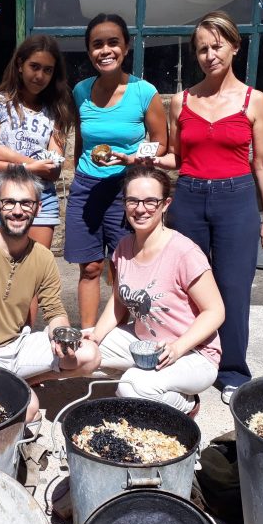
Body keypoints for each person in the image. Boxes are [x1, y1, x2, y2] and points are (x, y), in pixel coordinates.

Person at [151, 11, 263, 403]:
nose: (210, 54)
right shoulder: (182, 101)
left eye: (217, 45)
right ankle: (186, 355)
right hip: (188, 197)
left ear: (235, 46)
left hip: (236, 199)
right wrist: (142, 160)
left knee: (234, 286)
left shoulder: (253, 101)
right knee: (186, 284)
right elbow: (177, 157)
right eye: (202, 48)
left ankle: (233, 370)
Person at [0, 167, 101, 422]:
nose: (18, 211)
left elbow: (55, 311)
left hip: (17, 346)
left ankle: (22, 380)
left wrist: (62, 338)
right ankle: (8, 387)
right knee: (29, 410)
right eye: (9, 203)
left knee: (88, 355)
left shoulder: (42, 256)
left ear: (38, 208)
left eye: (26, 203)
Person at [85, 166, 224, 415]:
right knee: (81, 352)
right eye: (133, 200)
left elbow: (215, 311)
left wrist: (178, 347)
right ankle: (153, 387)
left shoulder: (184, 252)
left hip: (193, 353)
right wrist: (95, 337)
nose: (140, 209)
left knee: (131, 385)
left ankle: (186, 404)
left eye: (150, 201)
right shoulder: (123, 247)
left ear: (165, 204)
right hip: (144, 344)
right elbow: (118, 303)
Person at [65, 13, 168, 329]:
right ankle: (87, 336)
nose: (105, 50)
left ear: (126, 47)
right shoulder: (80, 91)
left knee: (125, 267)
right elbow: (81, 142)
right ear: (89, 50)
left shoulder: (144, 93)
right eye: (97, 44)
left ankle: (127, 334)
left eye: (113, 42)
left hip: (128, 189)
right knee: (90, 267)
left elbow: (160, 144)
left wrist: (131, 160)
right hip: (87, 188)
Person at [0, 34, 75, 325]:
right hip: (5, 199)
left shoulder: (56, 110)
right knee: (6, 272)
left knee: (32, 275)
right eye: (35, 66)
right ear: (19, 64)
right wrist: (35, 164)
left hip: (42, 200)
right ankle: (3, 336)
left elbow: (54, 168)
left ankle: (27, 337)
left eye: (48, 70)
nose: (40, 75)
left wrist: (9, 155)